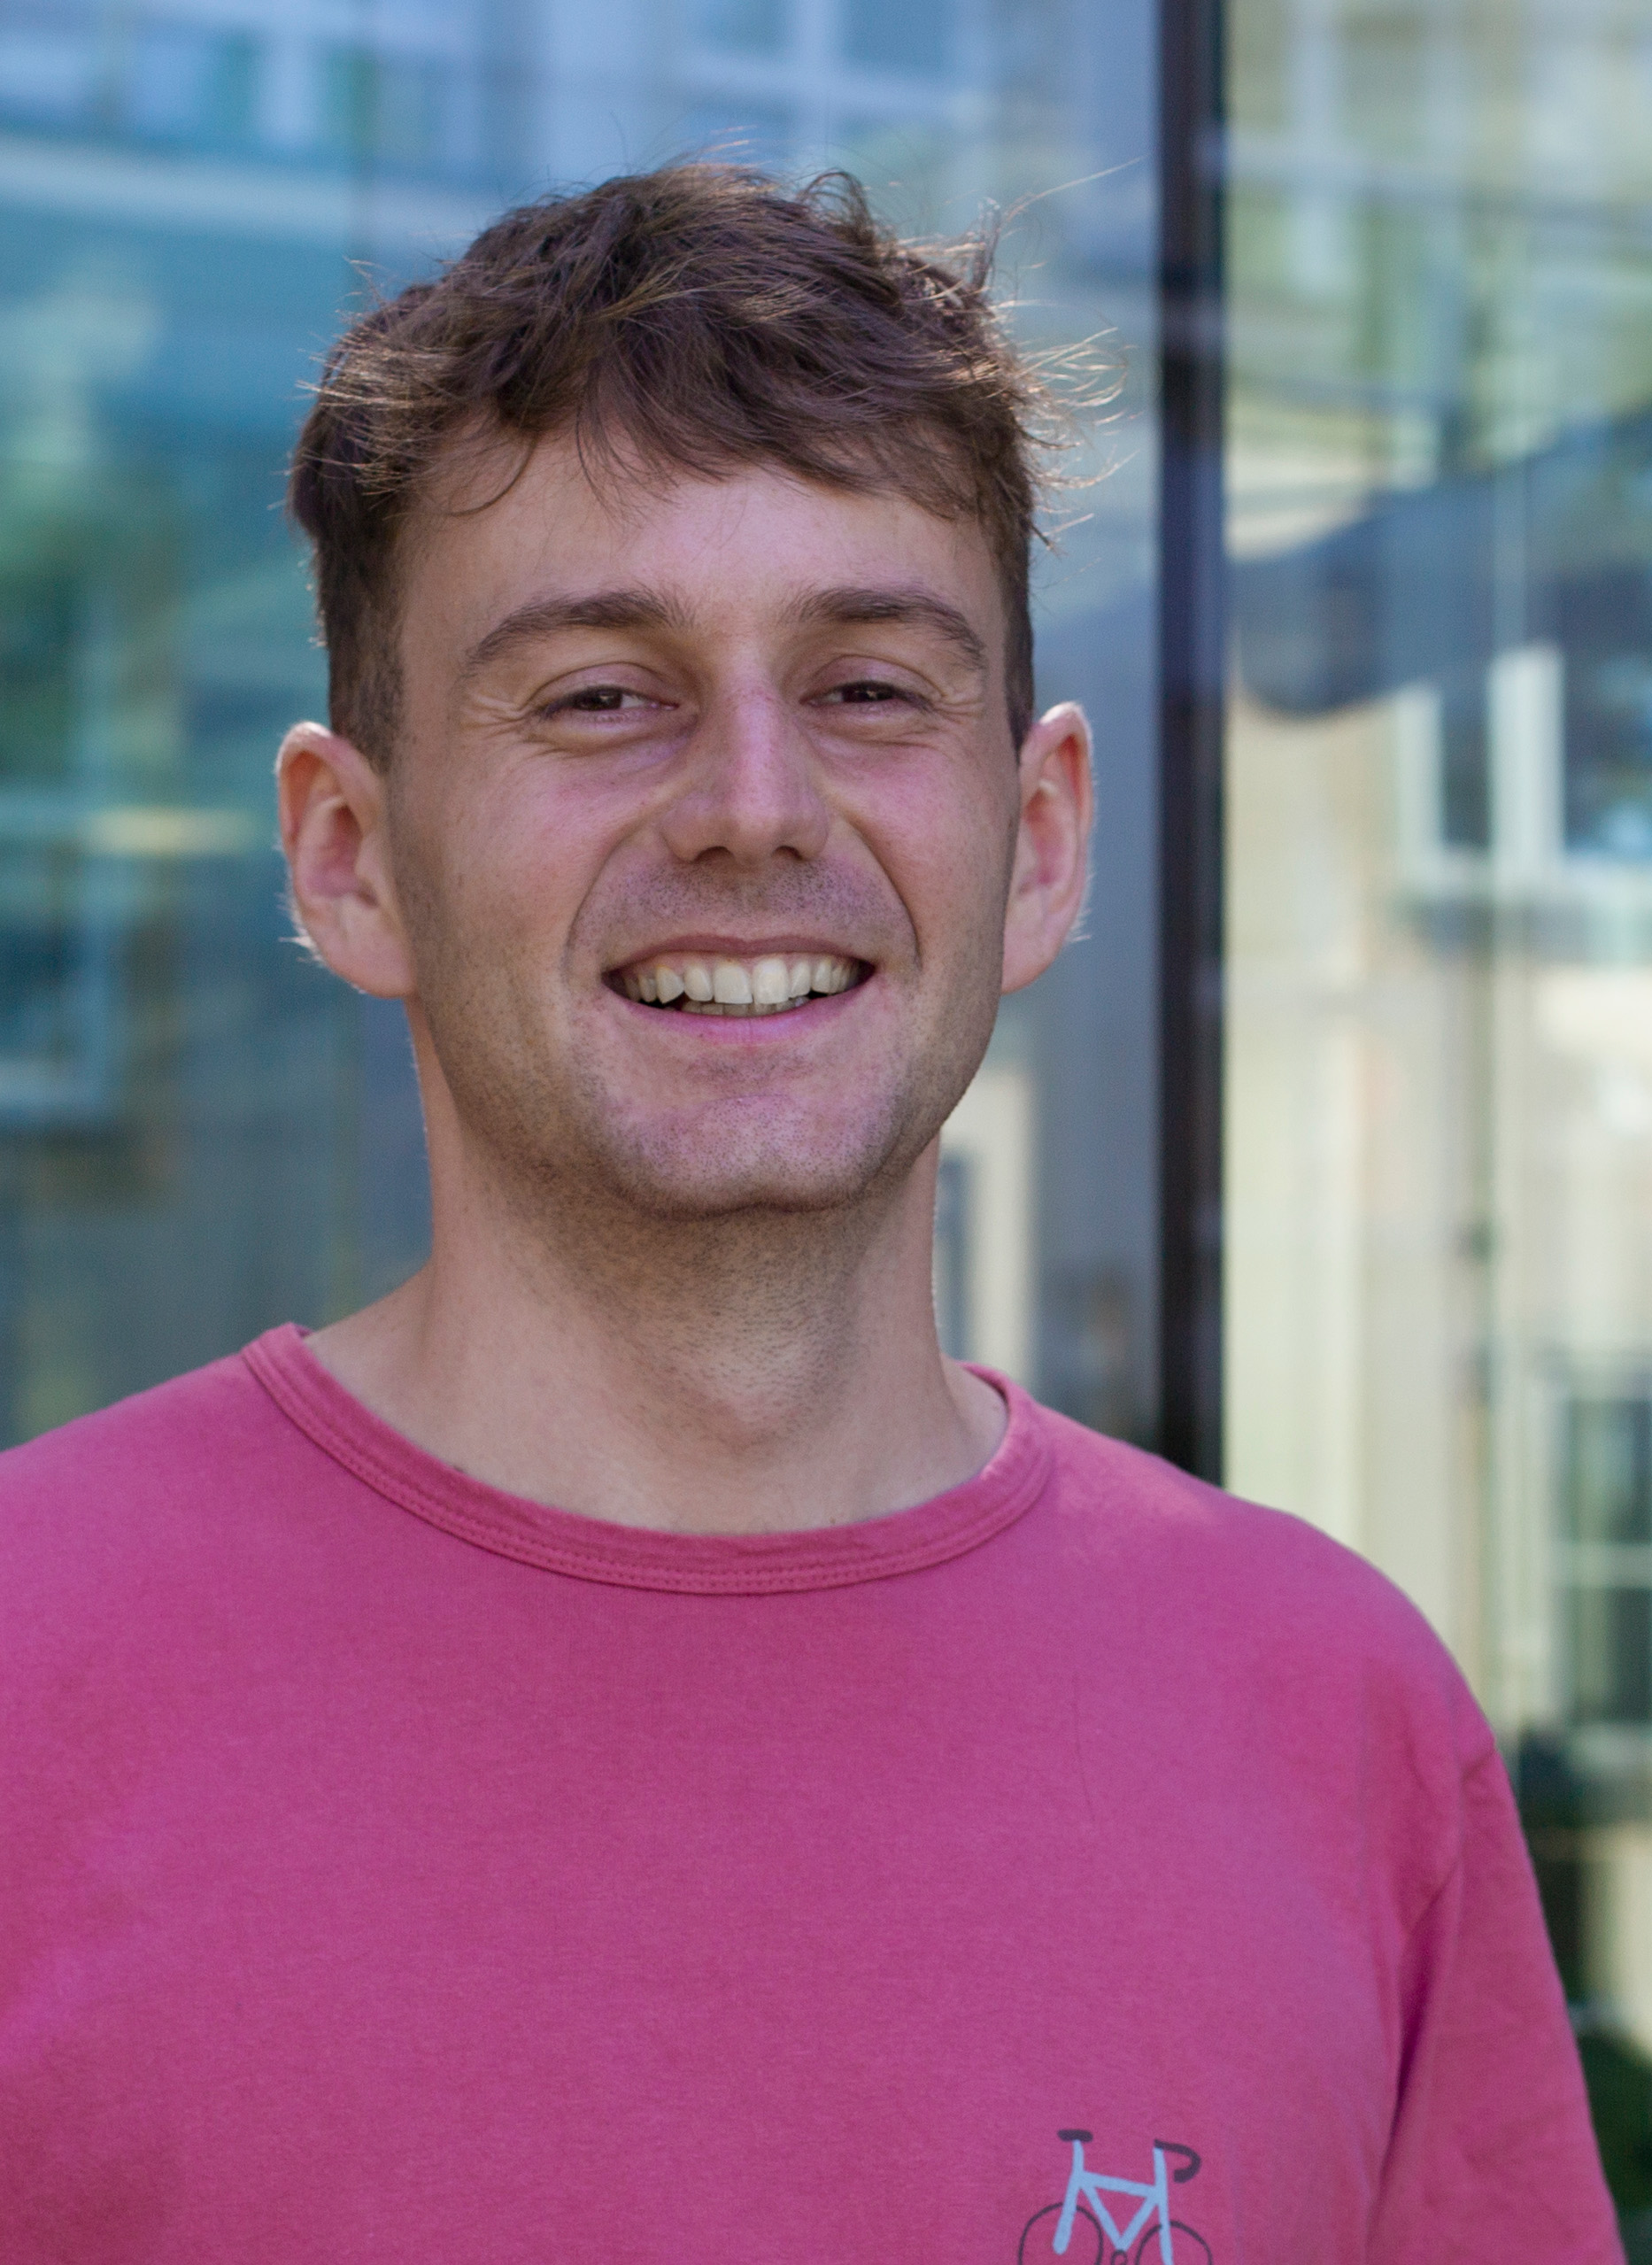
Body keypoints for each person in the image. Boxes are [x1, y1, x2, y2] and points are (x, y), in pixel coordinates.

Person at [0, 165, 1618, 2265]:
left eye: (870, 687)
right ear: (348, 857)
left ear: (1035, 840)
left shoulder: (1342, 1724)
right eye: (600, 693)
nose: (753, 805)